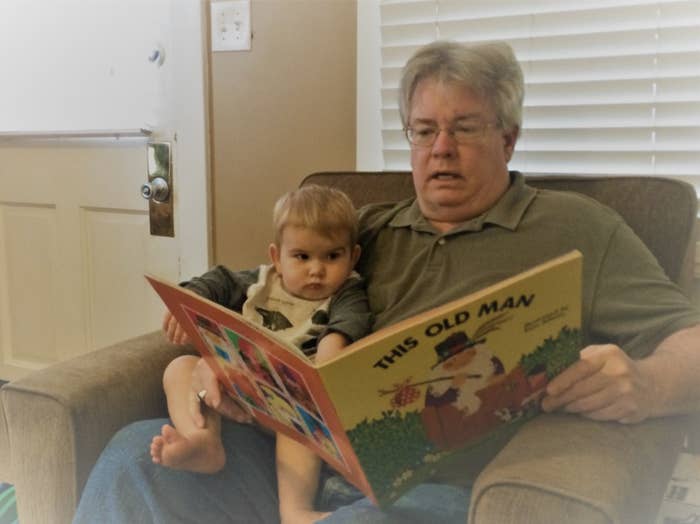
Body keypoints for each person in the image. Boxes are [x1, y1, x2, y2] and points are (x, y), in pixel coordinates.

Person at [74, 40, 700, 524]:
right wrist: (224, 362)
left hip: (430, 493)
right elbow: (271, 290)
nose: (441, 149)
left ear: (508, 136)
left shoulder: (580, 227)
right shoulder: (365, 228)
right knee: (135, 457)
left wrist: (647, 382)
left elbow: (689, 337)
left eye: (466, 127)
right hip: (294, 462)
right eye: (424, 130)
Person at [148, 184, 372, 523]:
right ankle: (203, 441)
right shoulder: (259, 281)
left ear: (352, 257)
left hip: (290, 403)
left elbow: (340, 334)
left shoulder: (347, 293)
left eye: (332, 256)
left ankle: (294, 511)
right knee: (179, 367)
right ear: (276, 257)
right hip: (236, 386)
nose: (316, 270)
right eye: (302, 256)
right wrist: (186, 300)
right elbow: (215, 282)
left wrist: (326, 363)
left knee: (299, 424)